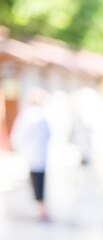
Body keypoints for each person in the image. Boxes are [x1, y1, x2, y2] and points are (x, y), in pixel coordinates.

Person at [10, 88, 52, 221]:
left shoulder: (34, 114)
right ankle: (40, 206)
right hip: (34, 153)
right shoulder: (33, 115)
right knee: (36, 179)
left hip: (35, 153)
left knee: (36, 179)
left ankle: (40, 206)